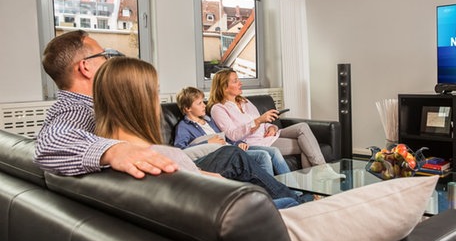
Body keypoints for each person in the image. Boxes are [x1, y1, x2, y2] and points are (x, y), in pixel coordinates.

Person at [92, 56, 307, 208]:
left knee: (237, 156)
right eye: (156, 92)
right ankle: (298, 200)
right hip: (222, 211)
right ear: (142, 101)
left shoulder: (98, 153)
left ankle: (292, 197)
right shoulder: (165, 155)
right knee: (288, 201)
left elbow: (193, 173)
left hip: (210, 182)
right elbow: (192, 173)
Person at [35, 30, 177, 179]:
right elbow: (49, 144)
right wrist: (116, 151)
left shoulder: (88, 107)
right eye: (103, 56)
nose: (108, 60)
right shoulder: (77, 110)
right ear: (85, 67)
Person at [207, 69, 343, 178]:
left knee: (302, 127)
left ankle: (321, 172)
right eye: (235, 81)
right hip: (256, 142)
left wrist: (271, 126)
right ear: (224, 87)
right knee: (305, 145)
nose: (240, 83)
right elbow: (232, 135)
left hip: (269, 134)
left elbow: (263, 121)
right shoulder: (218, 109)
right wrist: (259, 120)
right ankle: (316, 180)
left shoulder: (244, 101)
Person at [174, 86, 291, 175]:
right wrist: (207, 143)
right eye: (199, 103)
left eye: (203, 102)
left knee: (273, 151)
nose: (204, 105)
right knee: (262, 156)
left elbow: (226, 137)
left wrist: (239, 143)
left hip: (232, 147)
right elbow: (180, 152)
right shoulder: (184, 127)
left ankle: (295, 191)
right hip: (221, 155)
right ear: (187, 108)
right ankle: (273, 195)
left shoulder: (208, 120)